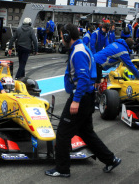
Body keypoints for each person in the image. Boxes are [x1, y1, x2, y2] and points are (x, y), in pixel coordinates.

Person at [45, 23, 121, 178]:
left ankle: (62, 168)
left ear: (67, 36)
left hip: (81, 97)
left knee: (63, 133)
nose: (61, 38)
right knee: (87, 133)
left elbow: (84, 78)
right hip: (87, 97)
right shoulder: (81, 47)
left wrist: (76, 100)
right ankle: (110, 159)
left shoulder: (78, 52)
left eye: (61, 35)